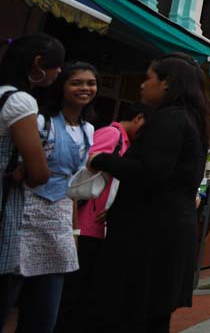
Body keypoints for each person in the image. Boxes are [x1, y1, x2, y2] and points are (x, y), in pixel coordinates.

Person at [88, 53, 209, 333]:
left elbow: (151, 172)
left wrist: (99, 160)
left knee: (134, 316)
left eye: (148, 78)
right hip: (165, 232)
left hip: (149, 237)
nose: (143, 85)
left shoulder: (170, 120)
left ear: (167, 84)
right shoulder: (190, 120)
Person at [15, 61, 97, 333]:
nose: (85, 88)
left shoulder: (88, 130)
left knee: (44, 314)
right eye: (77, 82)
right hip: (25, 216)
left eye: (90, 83)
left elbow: (74, 186)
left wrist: (73, 230)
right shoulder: (40, 122)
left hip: (60, 220)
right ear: (61, 87)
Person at [58, 101, 150, 331]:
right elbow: (80, 174)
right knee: (73, 292)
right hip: (86, 226)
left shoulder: (126, 142)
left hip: (98, 228)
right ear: (139, 118)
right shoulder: (112, 134)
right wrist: (76, 226)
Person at [0, 34, 62, 327]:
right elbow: (39, 174)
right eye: (56, 66)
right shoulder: (21, 102)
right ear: (38, 64)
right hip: (5, 213)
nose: (59, 72)